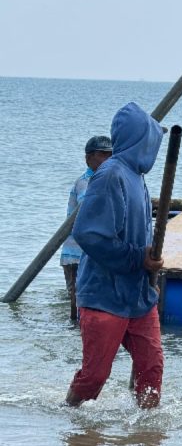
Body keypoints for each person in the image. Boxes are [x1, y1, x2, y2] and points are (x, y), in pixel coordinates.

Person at [65, 102, 165, 408]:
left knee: (151, 371)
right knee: (94, 376)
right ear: (138, 140)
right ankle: (70, 420)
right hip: (104, 295)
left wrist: (150, 266)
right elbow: (88, 234)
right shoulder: (110, 176)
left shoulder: (137, 177)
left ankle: (147, 431)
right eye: (149, 140)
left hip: (137, 295)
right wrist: (137, 258)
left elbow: (140, 234)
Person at [60, 136, 114, 318]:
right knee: (78, 303)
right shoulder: (85, 182)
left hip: (93, 251)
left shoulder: (106, 180)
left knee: (94, 301)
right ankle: (75, 330)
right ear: (88, 158)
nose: (108, 159)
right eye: (103, 155)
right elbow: (92, 209)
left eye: (110, 155)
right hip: (76, 252)